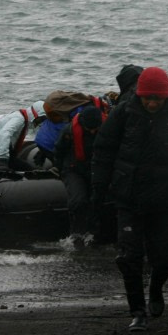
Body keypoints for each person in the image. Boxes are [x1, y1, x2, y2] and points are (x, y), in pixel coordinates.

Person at [91, 67, 168, 332]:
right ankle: (138, 311)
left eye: (158, 99)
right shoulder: (124, 113)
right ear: (139, 95)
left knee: (166, 257)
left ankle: (156, 289)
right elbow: (103, 150)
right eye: (148, 98)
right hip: (129, 197)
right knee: (128, 257)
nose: (153, 103)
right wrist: (99, 188)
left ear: (167, 96)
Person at [52, 105, 106, 246]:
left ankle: (95, 234)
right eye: (90, 129)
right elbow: (59, 153)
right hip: (74, 169)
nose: (93, 131)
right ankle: (76, 234)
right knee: (78, 201)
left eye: (96, 128)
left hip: (97, 169)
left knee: (98, 200)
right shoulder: (68, 132)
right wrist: (61, 172)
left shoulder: (108, 130)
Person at [0, 100, 48, 171]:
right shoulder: (19, 119)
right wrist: (3, 160)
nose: (42, 122)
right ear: (35, 114)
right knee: (28, 170)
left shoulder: (23, 118)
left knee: (20, 164)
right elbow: (3, 134)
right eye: (42, 118)